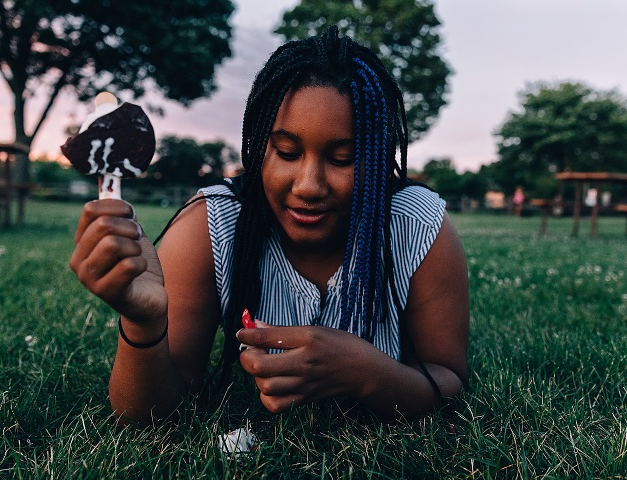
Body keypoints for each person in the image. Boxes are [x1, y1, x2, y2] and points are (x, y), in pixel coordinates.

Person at [69, 26, 469, 424]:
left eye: (343, 158)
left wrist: (368, 374)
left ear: (378, 159)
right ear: (258, 147)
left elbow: (449, 380)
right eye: (287, 152)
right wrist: (144, 321)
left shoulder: (415, 224)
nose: (309, 185)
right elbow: (151, 415)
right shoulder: (212, 224)